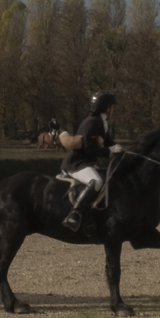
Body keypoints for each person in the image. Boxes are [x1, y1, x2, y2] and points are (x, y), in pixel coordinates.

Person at [60, 91, 121, 232]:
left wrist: (125, 152)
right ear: (107, 108)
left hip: (86, 163)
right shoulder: (92, 123)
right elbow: (88, 150)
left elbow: (110, 142)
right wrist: (110, 151)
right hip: (76, 164)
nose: (113, 110)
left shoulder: (101, 122)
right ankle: (73, 214)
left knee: (107, 178)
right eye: (112, 107)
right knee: (96, 181)